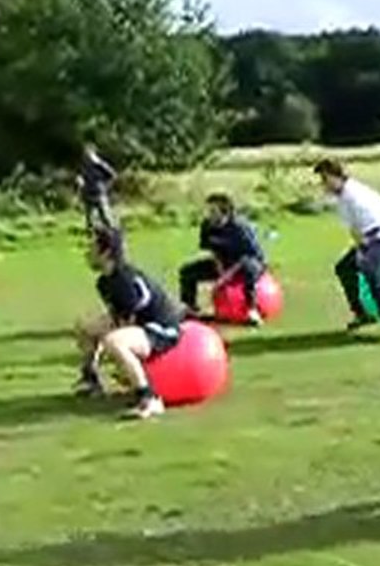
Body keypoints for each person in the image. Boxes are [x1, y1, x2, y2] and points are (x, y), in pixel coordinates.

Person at [73, 227, 182, 420]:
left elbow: (129, 320)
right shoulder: (104, 282)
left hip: (162, 330)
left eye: (91, 247)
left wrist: (115, 360)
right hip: (140, 326)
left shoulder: (125, 279)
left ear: (105, 252)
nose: (87, 253)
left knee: (114, 342)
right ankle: (91, 380)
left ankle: (149, 398)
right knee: (85, 327)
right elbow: (116, 317)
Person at [314, 157, 380, 343]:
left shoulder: (354, 196)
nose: (323, 184)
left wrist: (364, 252)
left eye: (325, 179)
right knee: (344, 267)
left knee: (373, 270)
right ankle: (362, 314)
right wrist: (361, 249)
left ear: (337, 177)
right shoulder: (343, 198)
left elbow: (371, 230)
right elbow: (356, 231)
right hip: (376, 238)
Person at [179, 193, 266, 326]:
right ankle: (189, 309)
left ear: (225, 212)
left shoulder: (240, 227)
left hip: (248, 262)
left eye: (213, 211)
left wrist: (226, 276)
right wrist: (219, 269)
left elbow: (248, 256)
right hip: (224, 262)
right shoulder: (207, 225)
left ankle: (251, 309)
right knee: (186, 271)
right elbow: (213, 251)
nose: (209, 214)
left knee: (249, 268)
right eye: (208, 210)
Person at [77, 143, 117, 231]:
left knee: (106, 217)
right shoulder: (84, 166)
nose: (86, 155)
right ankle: (93, 240)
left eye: (88, 153)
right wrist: (80, 183)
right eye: (85, 153)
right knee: (90, 220)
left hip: (99, 193)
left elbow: (113, 175)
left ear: (93, 153)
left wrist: (106, 187)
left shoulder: (100, 164)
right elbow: (80, 177)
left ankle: (113, 237)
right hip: (87, 194)